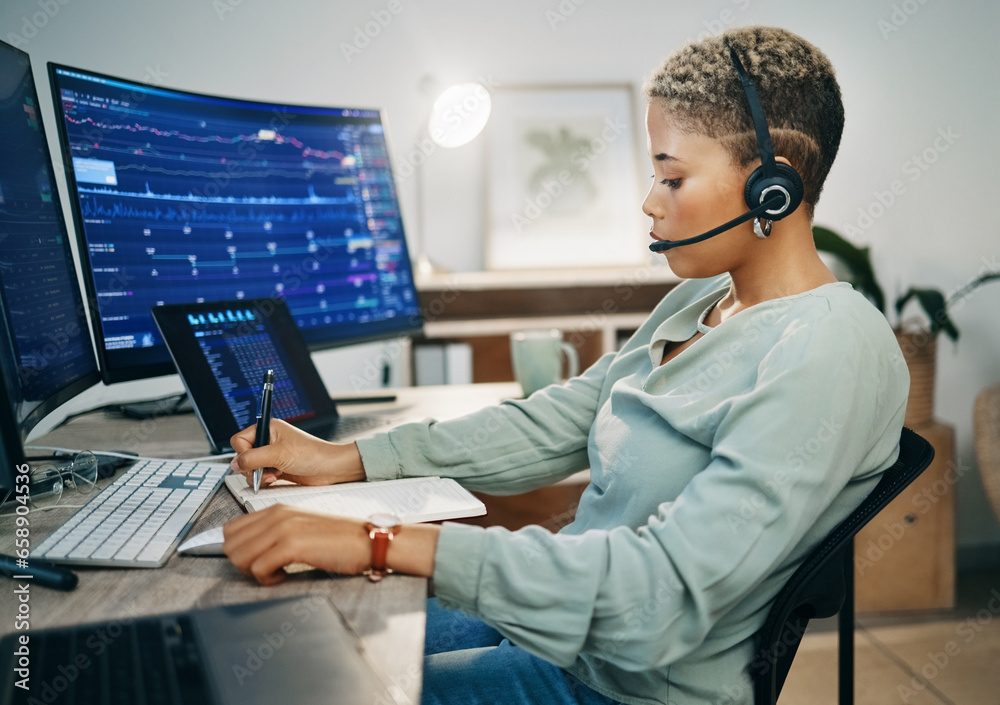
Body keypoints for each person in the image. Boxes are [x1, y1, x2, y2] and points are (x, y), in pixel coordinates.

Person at [223, 26, 909, 705]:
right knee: (278, 639)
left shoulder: (828, 348)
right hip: (563, 632)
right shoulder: (702, 300)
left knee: (305, 684)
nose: (649, 199)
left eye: (672, 176)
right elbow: (552, 423)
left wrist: (381, 542)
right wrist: (350, 459)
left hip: (626, 685)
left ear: (773, 187)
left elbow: (657, 599)